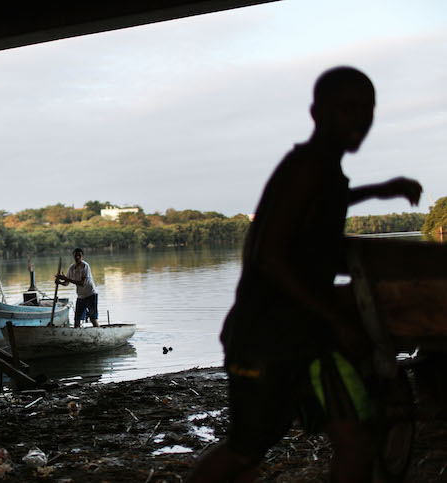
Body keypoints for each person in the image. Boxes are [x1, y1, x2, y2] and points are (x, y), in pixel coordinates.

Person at [186, 66, 422, 482]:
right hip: (265, 338)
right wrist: (336, 318)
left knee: (355, 440)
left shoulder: (325, 171)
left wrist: (380, 190)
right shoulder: (306, 166)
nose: (358, 119)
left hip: (309, 337)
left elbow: (320, 217)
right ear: (318, 112)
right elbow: (267, 256)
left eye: (366, 109)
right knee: (245, 451)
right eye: (346, 108)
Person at [55, 248, 99, 327]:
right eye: (76, 255)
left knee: (93, 318)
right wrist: (60, 283)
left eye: (79, 255)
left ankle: (99, 334)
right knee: (77, 320)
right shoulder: (71, 268)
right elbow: (67, 283)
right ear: (73, 256)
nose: (77, 257)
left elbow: (82, 283)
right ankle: (77, 336)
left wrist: (66, 279)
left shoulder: (85, 266)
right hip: (81, 296)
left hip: (91, 294)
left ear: (82, 257)